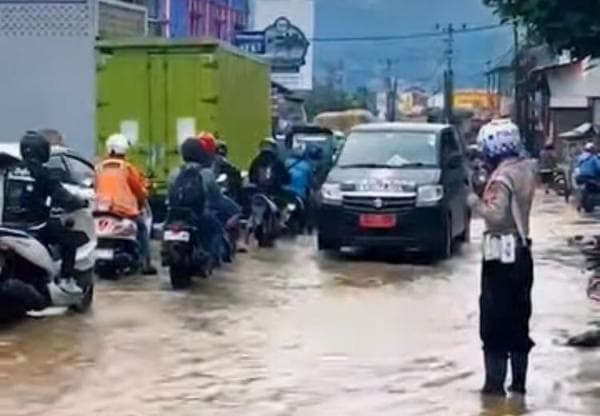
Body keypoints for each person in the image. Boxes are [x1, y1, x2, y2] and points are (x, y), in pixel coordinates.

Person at [468, 119, 537, 397]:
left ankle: (493, 389)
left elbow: (495, 216)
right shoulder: (526, 170)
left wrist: (473, 201)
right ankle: (519, 386)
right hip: (523, 255)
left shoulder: (500, 179)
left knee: (494, 324)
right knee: (519, 320)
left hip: (500, 256)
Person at [2, 131, 88, 295]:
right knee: (69, 241)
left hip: (7, 226)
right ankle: (66, 280)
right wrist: (80, 202)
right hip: (36, 226)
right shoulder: (44, 173)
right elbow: (64, 197)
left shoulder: (9, 170)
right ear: (42, 151)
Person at [95, 133, 157, 275]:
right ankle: (145, 263)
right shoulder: (127, 168)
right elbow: (139, 189)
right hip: (123, 210)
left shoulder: (98, 168)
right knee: (142, 229)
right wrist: (144, 196)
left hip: (99, 210)